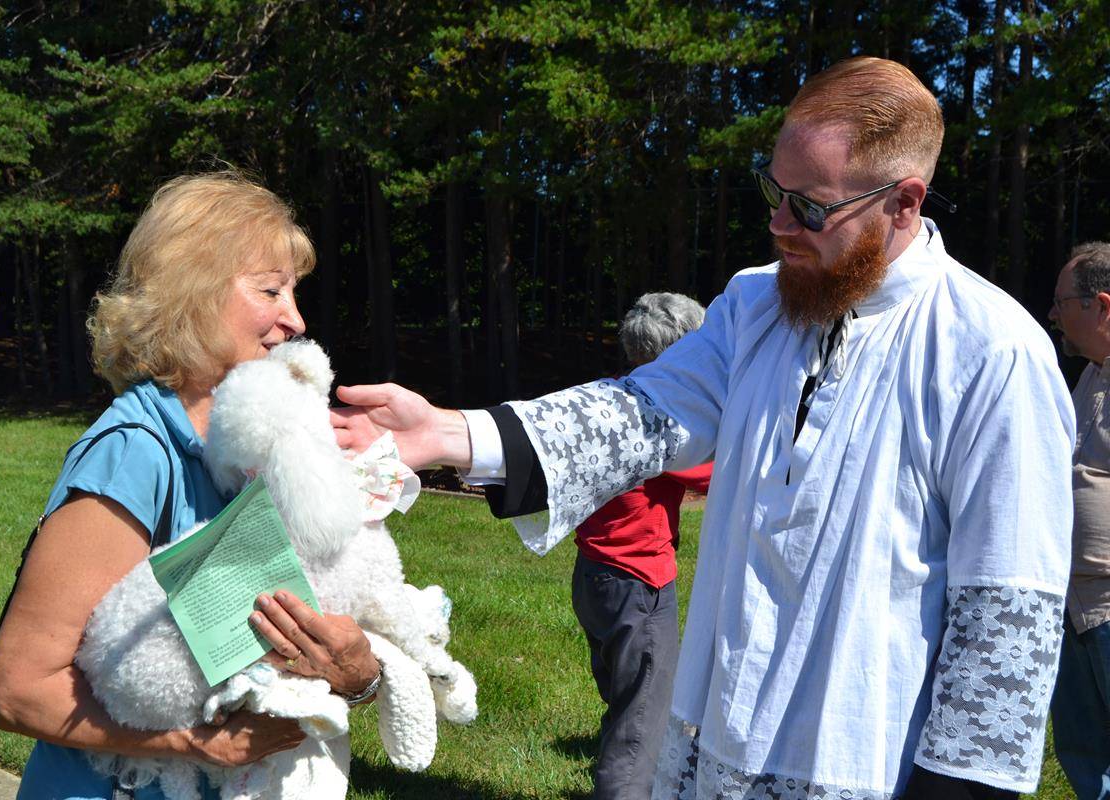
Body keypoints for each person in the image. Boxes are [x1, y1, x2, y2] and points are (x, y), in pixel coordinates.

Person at [331, 57, 1074, 799]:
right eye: (773, 192)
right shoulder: (755, 306)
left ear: (904, 204)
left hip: (867, 762)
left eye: (809, 207)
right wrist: (450, 432)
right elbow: (642, 413)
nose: (778, 223)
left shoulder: (990, 351)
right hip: (718, 749)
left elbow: (1007, 608)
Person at [0, 172, 381, 800]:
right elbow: (20, 690)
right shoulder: (134, 453)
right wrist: (198, 744)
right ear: (193, 292)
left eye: (295, 293)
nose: (296, 319)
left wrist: (356, 675)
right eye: (271, 291)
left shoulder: (262, 450)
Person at [568, 292, 713, 799]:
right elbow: (714, 475)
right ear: (682, 356)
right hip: (639, 584)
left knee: (625, 696)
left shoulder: (606, 396)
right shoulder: (662, 417)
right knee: (642, 720)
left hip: (592, 576)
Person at [1047, 241, 1110, 799]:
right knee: (1085, 757)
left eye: (1064, 301)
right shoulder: (1089, 374)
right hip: (1076, 605)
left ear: (1102, 306)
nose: (1054, 314)